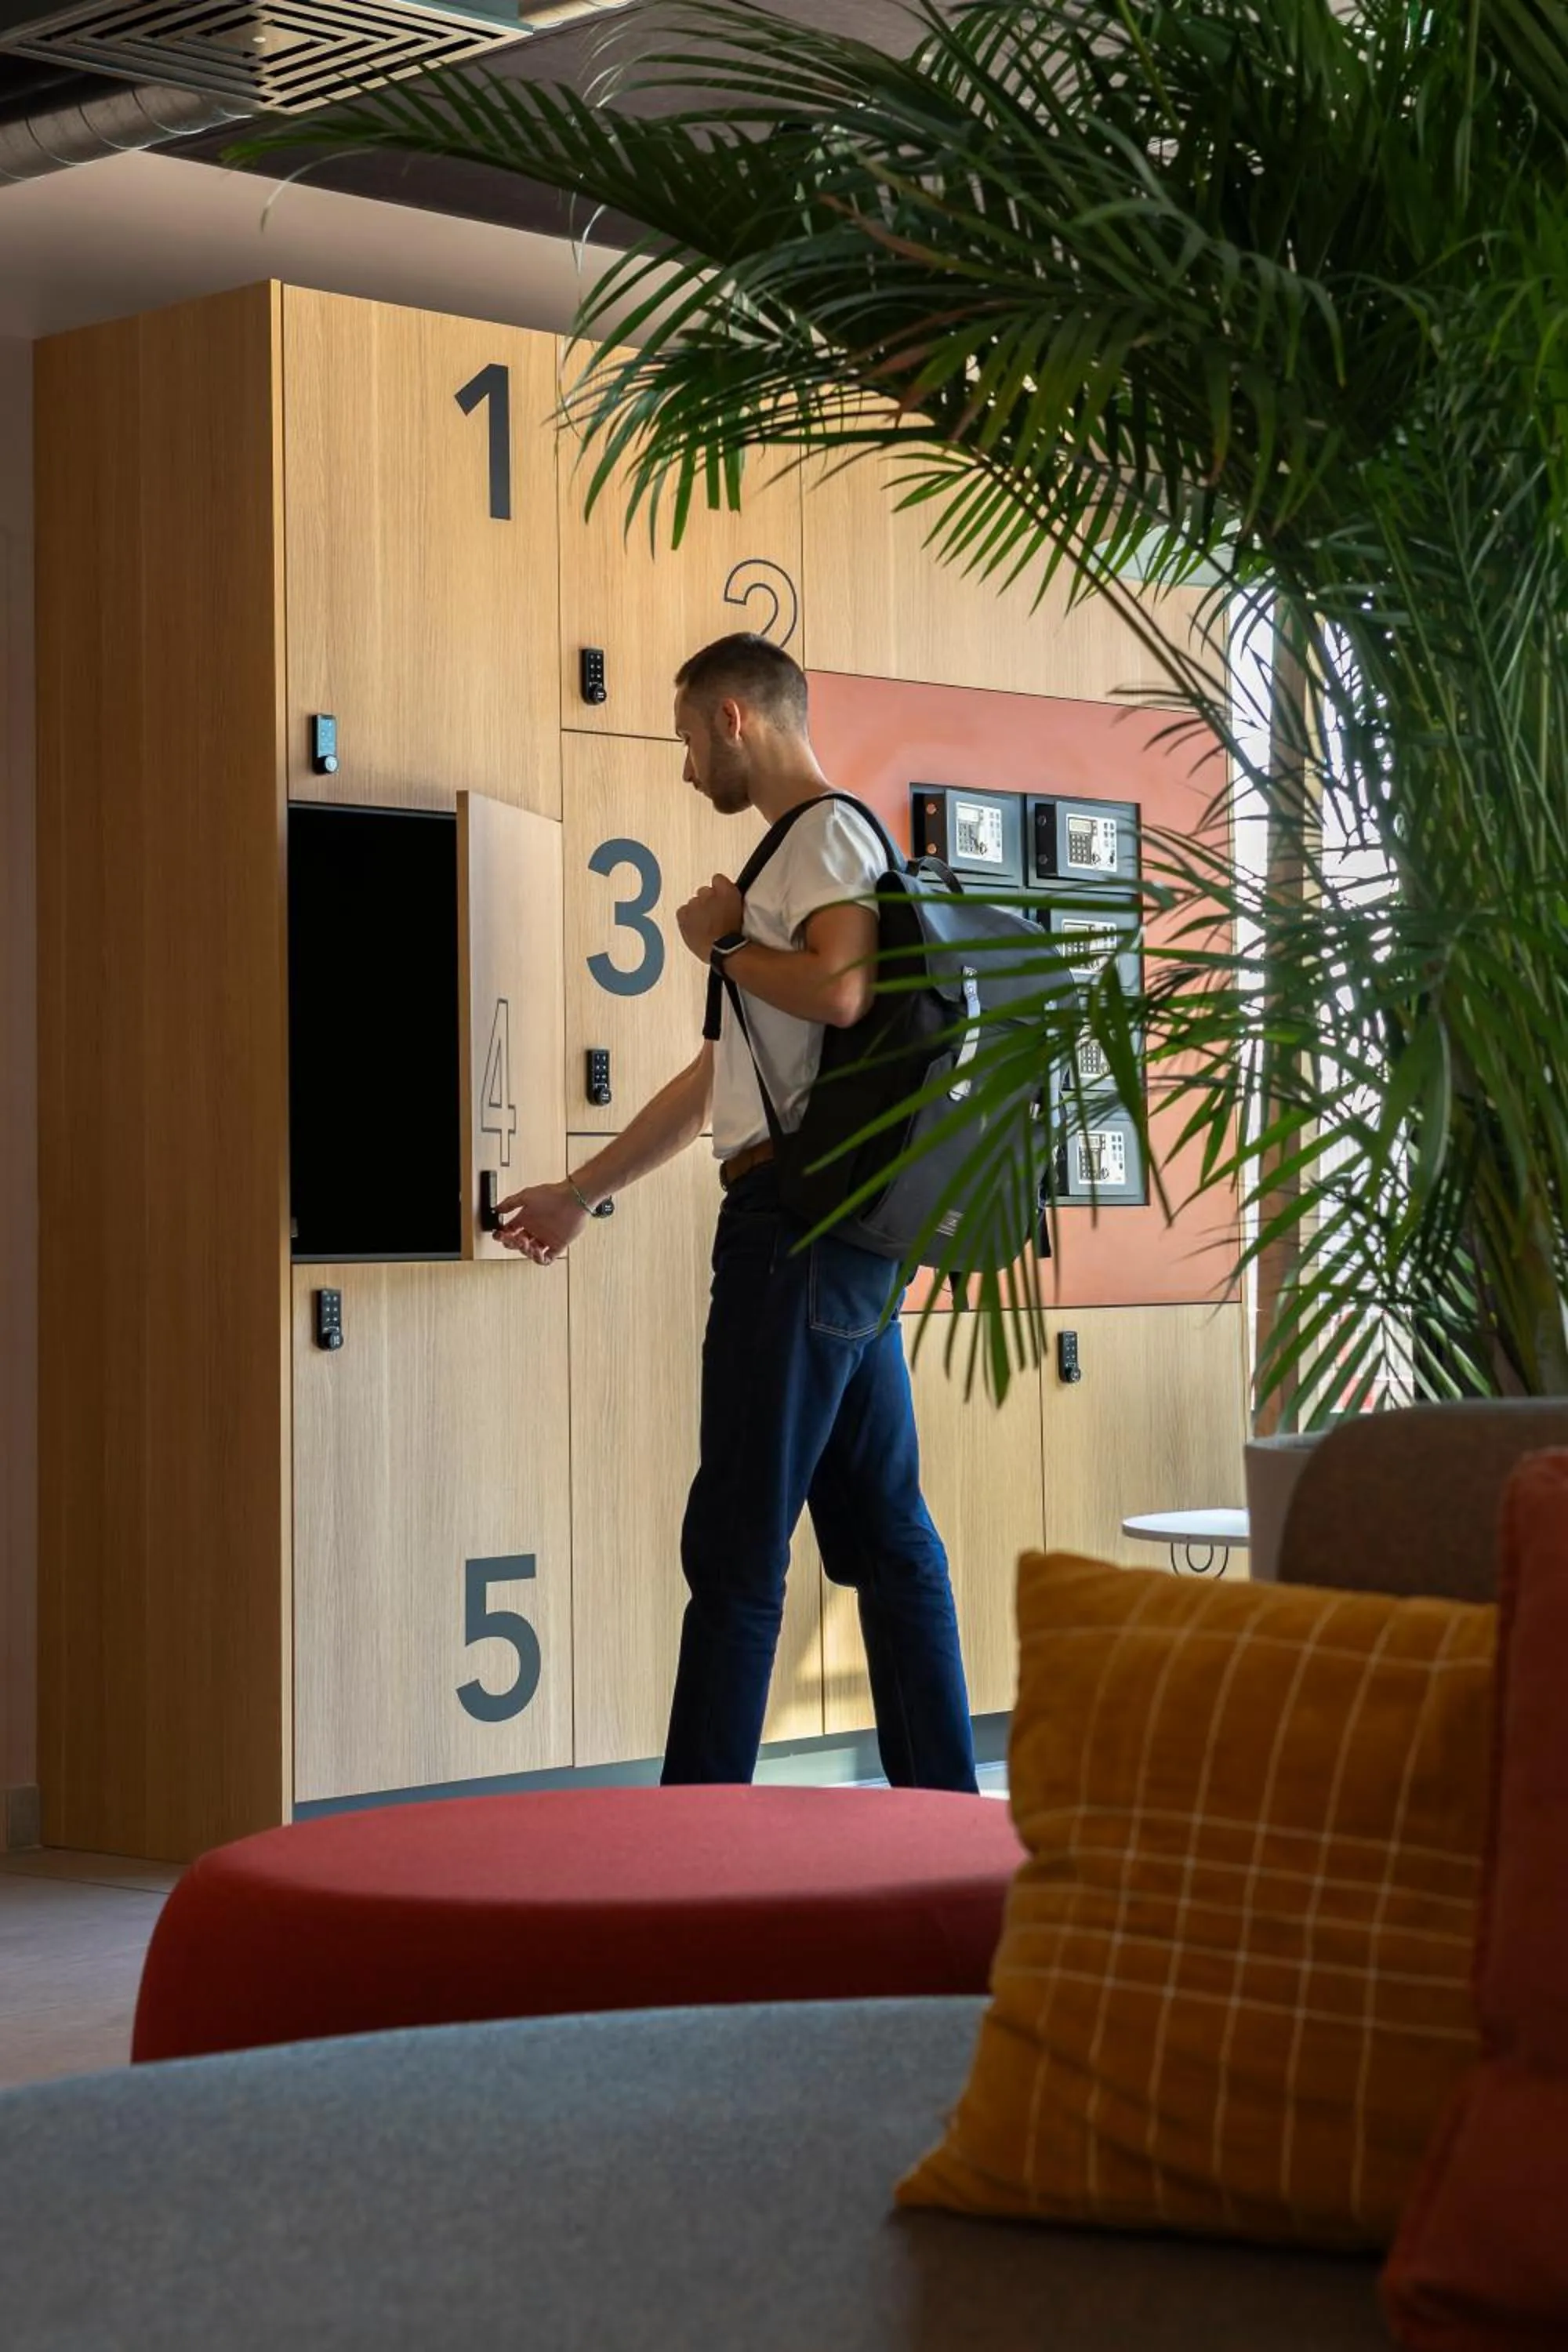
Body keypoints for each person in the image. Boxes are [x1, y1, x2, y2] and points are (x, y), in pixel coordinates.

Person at [497, 632, 977, 1792]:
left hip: (796, 1233)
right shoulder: (794, 861)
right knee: (889, 1538)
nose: (683, 772)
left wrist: (719, 940)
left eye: (682, 741)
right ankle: (948, 1813)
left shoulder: (823, 837)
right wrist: (578, 1192)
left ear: (732, 720)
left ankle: (693, 1836)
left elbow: (845, 987)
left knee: (739, 1545)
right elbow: (719, 1086)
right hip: (826, 1234)